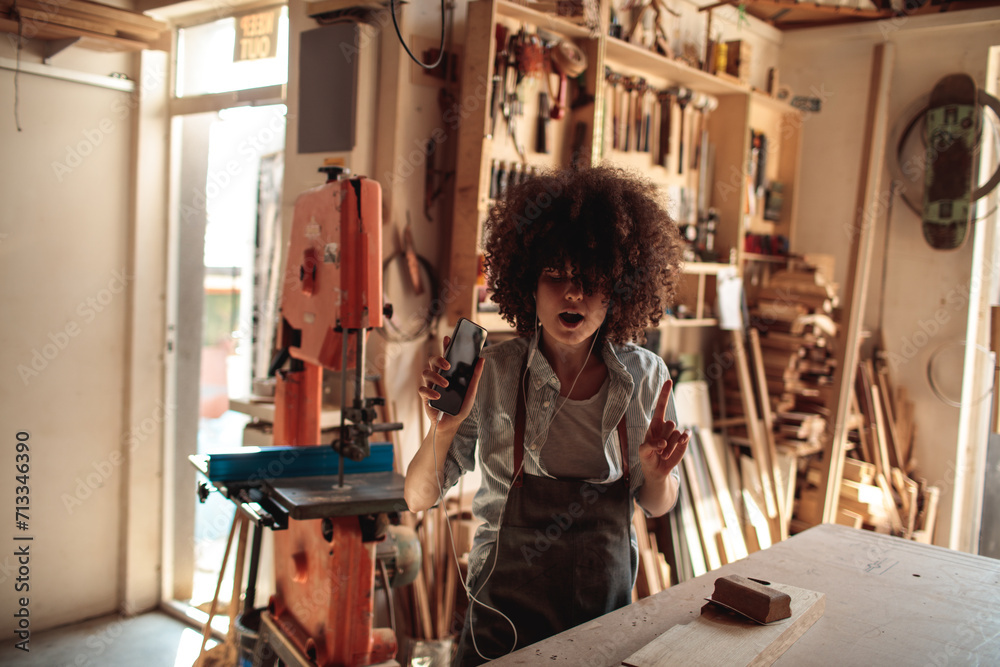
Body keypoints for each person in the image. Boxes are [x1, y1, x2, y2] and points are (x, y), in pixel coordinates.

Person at [404, 165, 690, 666]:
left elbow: (657, 505)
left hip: (603, 629)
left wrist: (659, 474)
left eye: (590, 279)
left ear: (618, 288)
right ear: (528, 284)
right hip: (501, 637)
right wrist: (443, 430)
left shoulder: (647, 377)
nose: (572, 293)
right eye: (554, 275)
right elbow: (417, 497)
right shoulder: (492, 374)